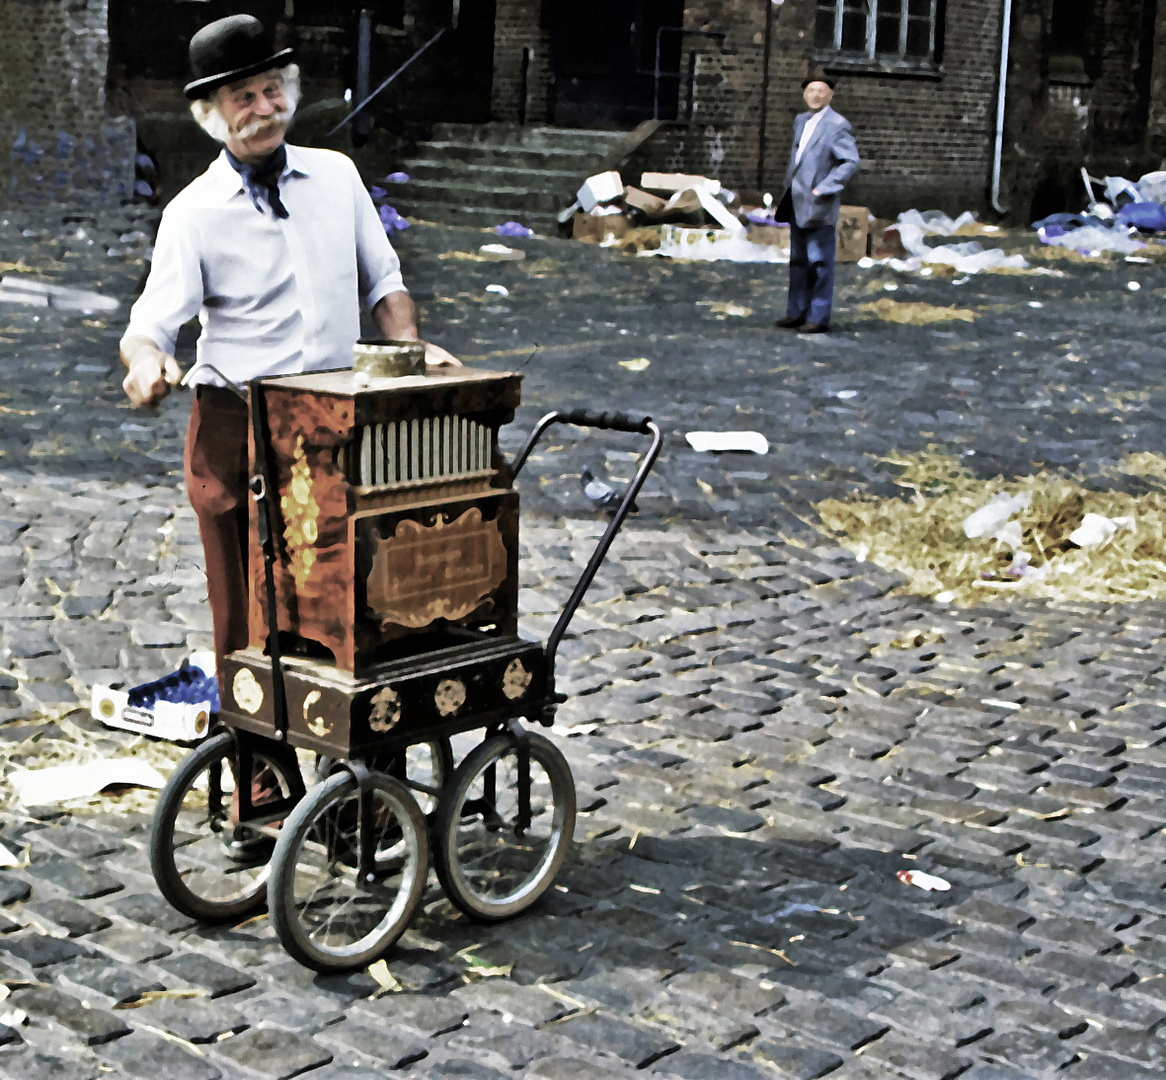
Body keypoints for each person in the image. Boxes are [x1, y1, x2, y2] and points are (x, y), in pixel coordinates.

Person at [120, 14, 458, 670]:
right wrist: (148, 363)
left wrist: (410, 354)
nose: (263, 109)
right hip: (235, 431)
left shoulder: (337, 177)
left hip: (335, 423)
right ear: (211, 114)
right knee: (247, 619)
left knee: (359, 603)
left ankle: (370, 763)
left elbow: (386, 285)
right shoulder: (192, 213)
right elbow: (150, 327)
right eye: (243, 97)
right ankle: (259, 771)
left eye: (273, 89)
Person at [774, 71, 861, 334]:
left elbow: (851, 161)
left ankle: (818, 316)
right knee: (798, 262)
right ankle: (796, 312)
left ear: (831, 95)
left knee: (819, 263)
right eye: (811, 90)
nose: (816, 95)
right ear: (804, 94)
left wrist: (824, 188)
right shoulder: (801, 120)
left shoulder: (837, 124)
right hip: (797, 201)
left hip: (819, 204)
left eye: (821, 91)